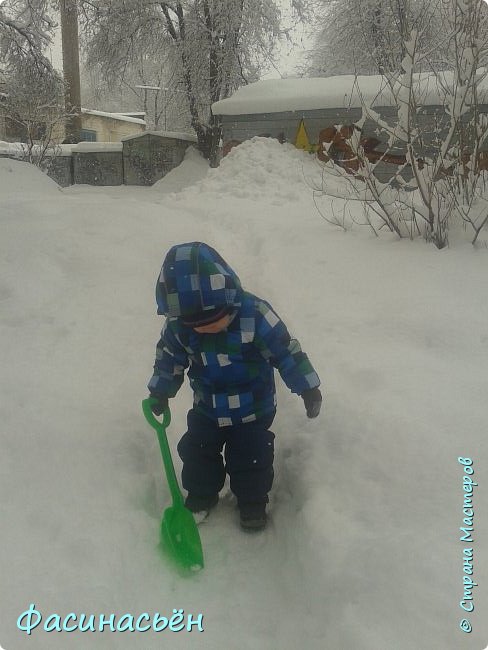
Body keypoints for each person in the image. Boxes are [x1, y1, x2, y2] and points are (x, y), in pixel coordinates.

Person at [147, 242, 322, 531]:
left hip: (253, 408)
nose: (206, 329)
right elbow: (168, 359)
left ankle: (252, 500)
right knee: (198, 451)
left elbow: (284, 351)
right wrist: (160, 391)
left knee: (251, 456)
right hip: (208, 408)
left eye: (215, 321)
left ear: (230, 301)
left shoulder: (255, 314)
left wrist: (307, 387)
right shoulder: (180, 327)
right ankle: (202, 494)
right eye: (197, 326)